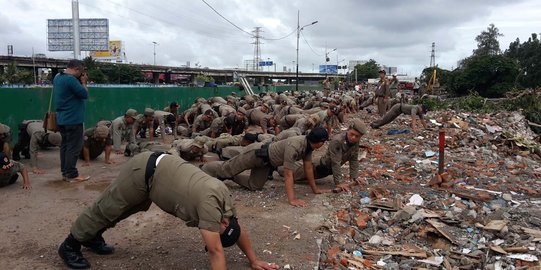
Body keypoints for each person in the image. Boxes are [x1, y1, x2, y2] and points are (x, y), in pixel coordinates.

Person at [57, 152, 278, 270]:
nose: (216, 230)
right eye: (218, 232)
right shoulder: (211, 210)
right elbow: (216, 252)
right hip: (144, 170)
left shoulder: (226, 206)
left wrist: (254, 260)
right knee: (107, 208)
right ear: (223, 224)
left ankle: (92, 236)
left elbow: (240, 232)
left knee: (121, 211)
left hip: (158, 175)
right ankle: (70, 244)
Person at [201, 127, 331, 207]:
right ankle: (203, 170)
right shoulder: (295, 145)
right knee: (226, 168)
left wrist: (315, 189)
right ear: (320, 142)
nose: (323, 144)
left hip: (266, 163)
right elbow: (288, 174)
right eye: (323, 142)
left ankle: (229, 177)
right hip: (256, 153)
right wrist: (292, 199)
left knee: (255, 186)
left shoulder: (308, 147)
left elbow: (308, 168)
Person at [278, 119, 367, 192]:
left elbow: (354, 159)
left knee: (298, 168)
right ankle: (275, 167)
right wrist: (339, 183)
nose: (354, 138)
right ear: (348, 130)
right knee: (294, 174)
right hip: (320, 167)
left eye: (357, 136)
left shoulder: (355, 142)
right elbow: (336, 162)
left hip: (327, 170)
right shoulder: (337, 141)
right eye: (352, 134)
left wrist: (354, 178)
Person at [54, 59, 90, 181]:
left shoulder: (58, 77)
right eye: (81, 72)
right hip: (73, 119)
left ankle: (65, 172)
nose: (81, 75)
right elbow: (84, 94)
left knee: (65, 146)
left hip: (62, 119)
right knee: (74, 147)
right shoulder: (71, 80)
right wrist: (84, 82)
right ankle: (72, 174)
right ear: (76, 69)